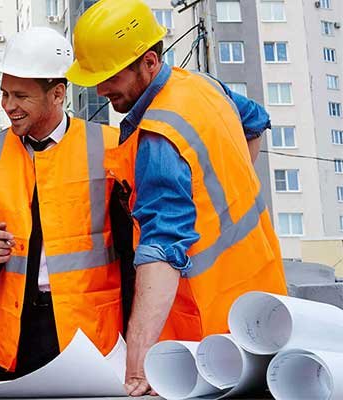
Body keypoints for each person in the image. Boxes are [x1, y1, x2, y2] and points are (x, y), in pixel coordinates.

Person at [66, 0, 288, 396]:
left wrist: (137, 364)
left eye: (110, 76)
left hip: (207, 334)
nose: (101, 89)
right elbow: (254, 124)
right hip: (264, 301)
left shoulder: (159, 136)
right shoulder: (204, 86)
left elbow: (162, 251)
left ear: (149, 62)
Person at [0, 27, 125, 380]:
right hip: (17, 333)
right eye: (4, 93)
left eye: (21, 96)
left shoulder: (109, 148)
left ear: (57, 94)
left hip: (91, 332)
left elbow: (131, 253)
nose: (9, 106)